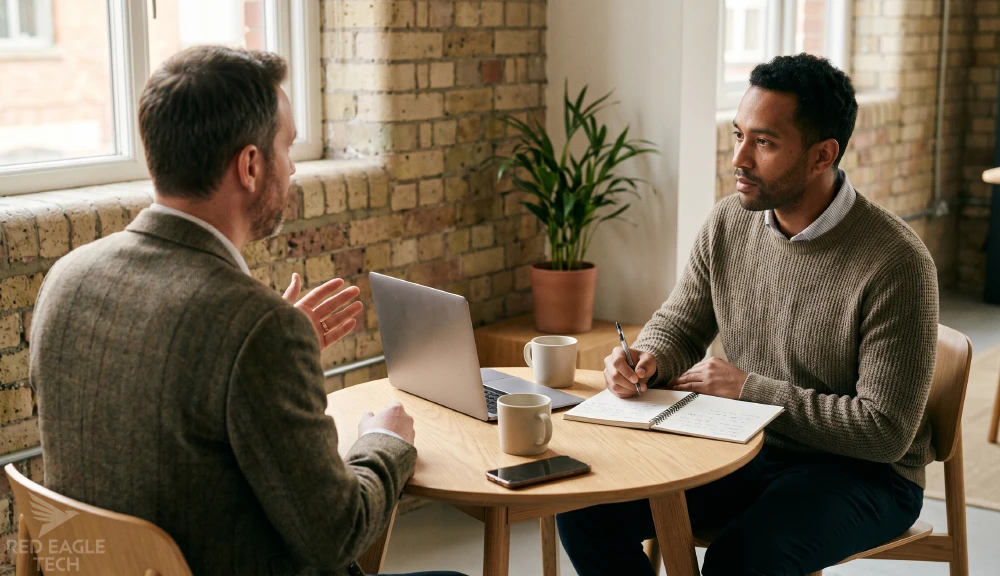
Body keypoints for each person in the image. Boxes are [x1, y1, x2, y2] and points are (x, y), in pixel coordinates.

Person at [30, 46, 463, 576]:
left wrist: (262, 354)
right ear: (251, 165)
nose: (294, 165)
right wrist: (386, 441)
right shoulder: (256, 328)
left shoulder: (66, 278)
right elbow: (337, 534)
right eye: (287, 146)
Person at [557, 54, 938, 575]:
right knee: (584, 510)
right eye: (739, 134)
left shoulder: (895, 261)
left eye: (764, 142)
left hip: (865, 475)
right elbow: (681, 323)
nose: (738, 158)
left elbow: (885, 431)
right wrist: (645, 357)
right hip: (743, 445)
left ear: (823, 154)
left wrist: (749, 390)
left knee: (742, 557)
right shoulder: (730, 222)